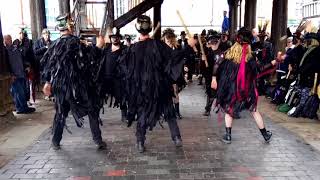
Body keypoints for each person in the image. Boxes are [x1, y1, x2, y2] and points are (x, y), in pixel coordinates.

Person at [119, 15, 194, 153]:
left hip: (142, 90)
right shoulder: (159, 45)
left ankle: (140, 142)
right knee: (168, 111)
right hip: (160, 87)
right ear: (151, 27)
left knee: (142, 113)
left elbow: (123, 67)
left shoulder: (132, 49)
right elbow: (174, 58)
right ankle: (176, 137)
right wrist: (189, 46)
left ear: (137, 28)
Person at [41, 13, 106, 150]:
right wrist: (99, 46)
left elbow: (48, 66)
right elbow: (90, 58)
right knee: (92, 109)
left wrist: (47, 82)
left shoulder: (54, 45)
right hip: (79, 86)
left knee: (61, 112)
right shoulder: (76, 43)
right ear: (70, 26)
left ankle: (55, 140)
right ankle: (97, 140)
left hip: (62, 88)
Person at [211, 27, 275, 144]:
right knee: (254, 110)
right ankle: (265, 134)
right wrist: (273, 62)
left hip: (232, 89)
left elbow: (217, 64)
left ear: (236, 40)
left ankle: (228, 136)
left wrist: (214, 78)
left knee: (229, 110)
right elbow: (260, 69)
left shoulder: (228, 54)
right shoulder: (250, 58)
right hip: (247, 90)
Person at [96, 28, 128, 122]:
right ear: (111, 38)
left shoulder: (124, 50)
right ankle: (96, 116)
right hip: (106, 77)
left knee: (122, 97)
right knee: (100, 97)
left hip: (118, 79)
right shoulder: (106, 49)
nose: (115, 39)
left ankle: (124, 116)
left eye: (117, 37)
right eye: (113, 37)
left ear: (119, 38)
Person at [4, 35, 35, 114]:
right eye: (7, 39)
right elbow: (6, 65)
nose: (9, 40)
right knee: (18, 92)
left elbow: (22, 59)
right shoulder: (4, 51)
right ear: (4, 40)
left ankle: (19, 108)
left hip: (21, 73)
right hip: (14, 75)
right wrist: (11, 74)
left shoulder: (16, 49)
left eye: (10, 38)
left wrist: (26, 66)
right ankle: (23, 108)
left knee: (21, 91)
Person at [161, 28, 186, 119]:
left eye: (171, 40)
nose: (169, 42)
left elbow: (180, 59)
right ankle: (165, 112)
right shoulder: (161, 49)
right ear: (164, 39)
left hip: (174, 74)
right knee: (164, 93)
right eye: (167, 40)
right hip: (164, 74)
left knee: (175, 92)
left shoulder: (177, 48)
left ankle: (177, 112)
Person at [202, 30, 222, 116]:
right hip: (209, 76)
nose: (214, 42)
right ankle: (208, 109)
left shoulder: (221, 52)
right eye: (212, 40)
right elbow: (204, 67)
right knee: (210, 93)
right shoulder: (207, 52)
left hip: (220, 76)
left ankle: (222, 107)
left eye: (215, 40)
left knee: (218, 92)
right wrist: (203, 60)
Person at [33, 29, 52, 99]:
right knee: (44, 79)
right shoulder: (38, 42)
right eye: (46, 35)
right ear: (43, 35)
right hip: (41, 64)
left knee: (49, 79)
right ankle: (46, 93)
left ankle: (49, 93)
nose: (47, 36)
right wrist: (44, 48)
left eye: (48, 35)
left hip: (49, 63)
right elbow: (35, 51)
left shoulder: (51, 42)